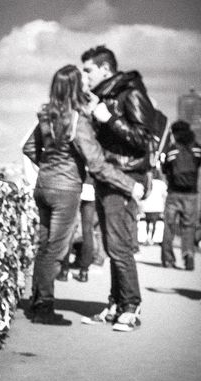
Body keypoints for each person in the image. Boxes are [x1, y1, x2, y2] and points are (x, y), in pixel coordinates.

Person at [23, 64, 143, 325]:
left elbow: (30, 148)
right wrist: (129, 184)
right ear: (76, 87)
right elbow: (97, 164)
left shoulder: (46, 114)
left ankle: (37, 300)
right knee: (57, 249)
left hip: (43, 187)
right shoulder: (77, 119)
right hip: (65, 189)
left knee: (44, 247)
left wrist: (49, 165)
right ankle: (44, 308)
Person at [81, 45, 160, 332]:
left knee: (119, 245)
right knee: (111, 244)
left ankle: (131, 307)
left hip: (126, 176)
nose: (85, 76)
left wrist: (110, 119)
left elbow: (145, 139)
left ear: (105, 69)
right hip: (108, 176)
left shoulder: (131, 92)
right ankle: (116, 304)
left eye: (88, 70)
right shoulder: (106, 96)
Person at [159, 120, 201, 270]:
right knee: (188, 226)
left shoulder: (172, 149)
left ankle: (168, 259)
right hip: (191, 194)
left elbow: (164, 169)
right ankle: (188, 255)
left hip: (173, 193)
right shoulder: (196, 148)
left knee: (169, 226)